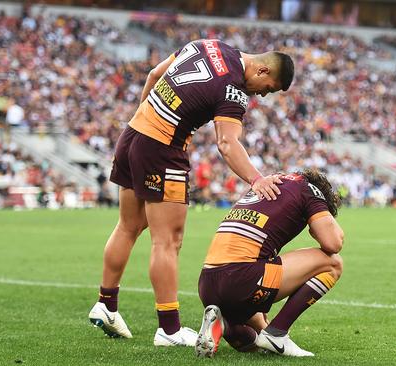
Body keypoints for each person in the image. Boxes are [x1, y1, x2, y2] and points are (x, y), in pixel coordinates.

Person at [87, 39, 295, 347]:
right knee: (168, 240)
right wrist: (256, 179)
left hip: (133, 134)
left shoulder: (206, 44)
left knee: (128, 226)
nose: (262, 94)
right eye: (267, 87)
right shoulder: (234, 89)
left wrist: (143, 122)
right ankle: (169, 330)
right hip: (162, 149)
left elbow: (154, 75)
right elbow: (226, 143)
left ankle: (106, 304)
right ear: (262, 69)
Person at [195, 169, 344, 357]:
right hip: (241, 279)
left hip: (208, 286)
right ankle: (278, 333)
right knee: (333, 263)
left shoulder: (270, 183)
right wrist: (318, 228)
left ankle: (223, 325)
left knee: (255, 337)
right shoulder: (309, 190)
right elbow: (333, 242)